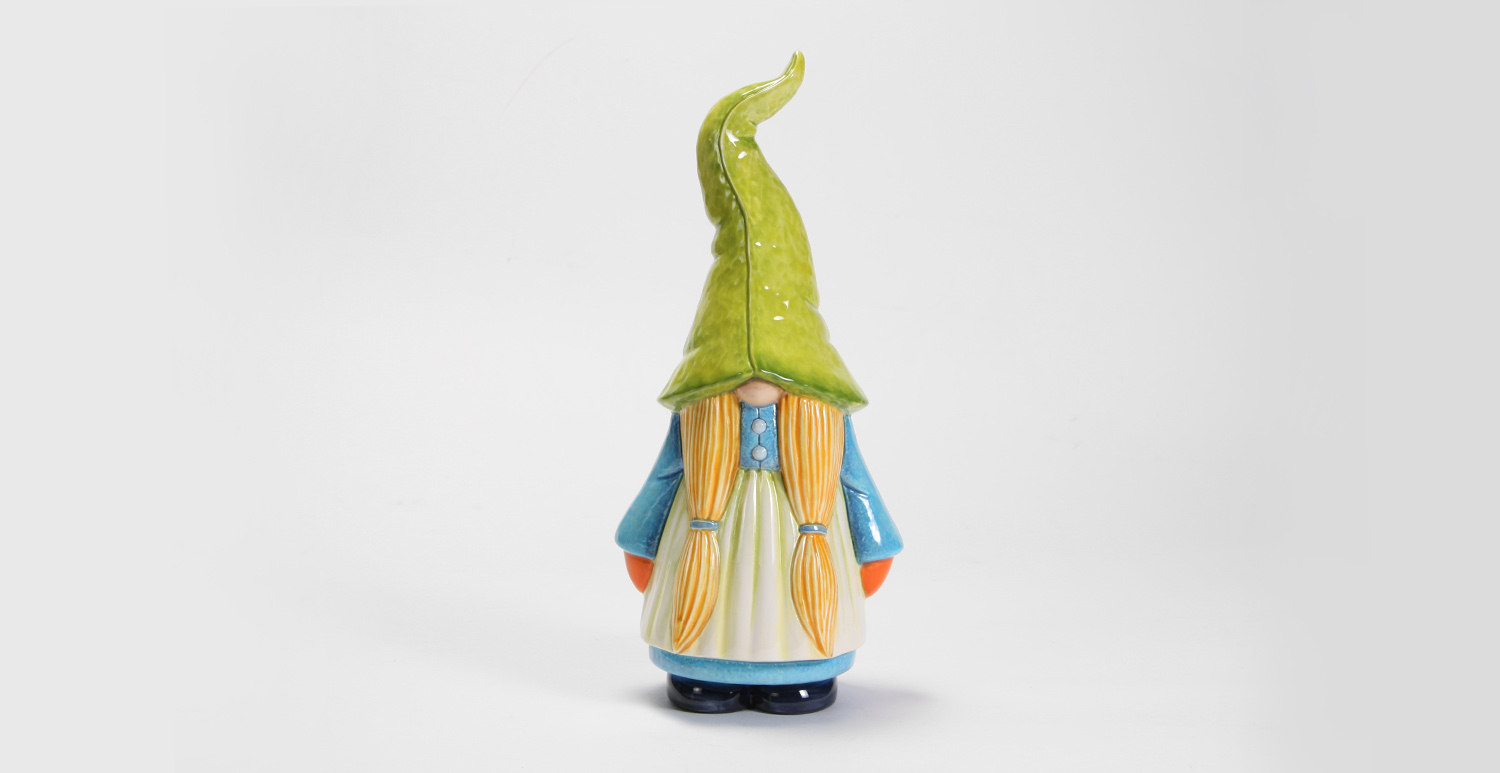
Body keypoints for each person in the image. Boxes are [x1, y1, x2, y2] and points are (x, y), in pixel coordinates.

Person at [614, 52, 903, 714]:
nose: (753, 382)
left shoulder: (822, 428)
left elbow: (853, 479)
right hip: (708, 537)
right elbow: (667, 474)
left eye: (771, 366)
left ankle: (797, 667)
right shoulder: (700, 424)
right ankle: (705, 670)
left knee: (791, 626)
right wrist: (642, 537)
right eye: (738, 367)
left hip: (805, 541)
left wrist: (873, 541)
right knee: (709, 622)